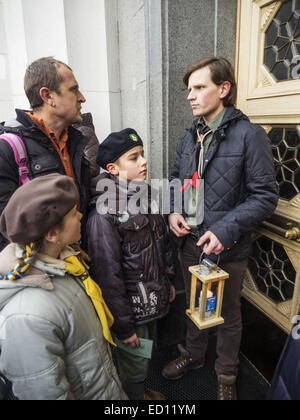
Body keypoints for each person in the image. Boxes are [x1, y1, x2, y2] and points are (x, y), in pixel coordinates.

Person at [162, 57, 278, 400]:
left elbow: (265, 196)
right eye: (189, 90)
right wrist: (173, 212)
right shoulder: (189, 136)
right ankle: (193, 356)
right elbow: (174, 180)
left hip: (226, 248)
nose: (190, 96)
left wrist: (225, 230)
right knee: (195, 308)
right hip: (189, 244)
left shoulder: (249, 135)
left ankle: (226, 376)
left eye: (199, 88)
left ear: (223, 89)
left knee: (227, 316)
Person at [0, 173, 127, 400]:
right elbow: (45, 391)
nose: (80, 215)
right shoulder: (27, 317)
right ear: (51, 234)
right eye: (72, 214)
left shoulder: (67, 262)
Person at [87, 128, 176, 400]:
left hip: (151, 297)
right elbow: (108, 277)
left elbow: (162, 244)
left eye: (143, 155)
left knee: (143, 355)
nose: (144, 162)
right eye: (134, 158)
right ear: (113, 168)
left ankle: (139, 389)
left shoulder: (144, 194)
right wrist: (123, 327)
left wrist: (168, 280)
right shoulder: (104, 214)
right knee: (134, 358)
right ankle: (134, 397)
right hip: (131, 309)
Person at [0, 56, 91, 251]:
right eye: (73, 89)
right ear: (48, 96)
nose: (82, 97)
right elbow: (5, 232)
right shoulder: (7, 149)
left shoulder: (75, 140)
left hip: (75, 263)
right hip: (38, 273)